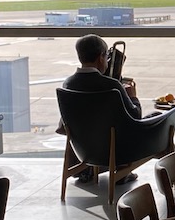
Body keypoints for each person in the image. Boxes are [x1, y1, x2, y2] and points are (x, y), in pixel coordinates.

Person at [61, 35, 143, 184]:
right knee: (160, 118)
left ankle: (88, 169)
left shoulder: (67, 85)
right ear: (101, 58)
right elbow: (135, 117)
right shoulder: (112, 86)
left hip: (83, 150)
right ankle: (124, 169)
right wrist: (132, 97)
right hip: (114, 152)